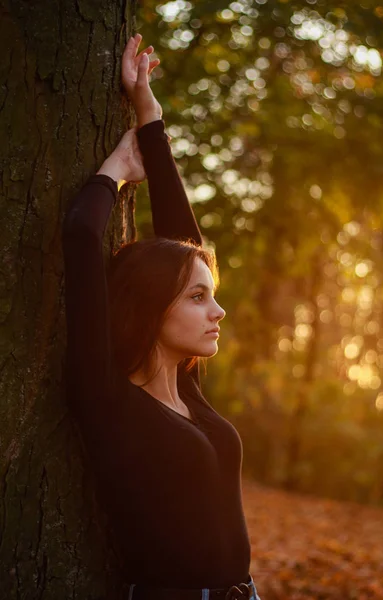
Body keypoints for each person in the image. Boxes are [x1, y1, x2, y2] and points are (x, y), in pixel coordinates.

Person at [62, 34, 262, 600]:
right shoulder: (106, 397)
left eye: (210, 295)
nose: (217, 310)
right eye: (197, 298)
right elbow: (81, 235)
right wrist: (114, 172)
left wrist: (150, 119)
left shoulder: (187, 391)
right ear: (151, 307)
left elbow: (183, 244)